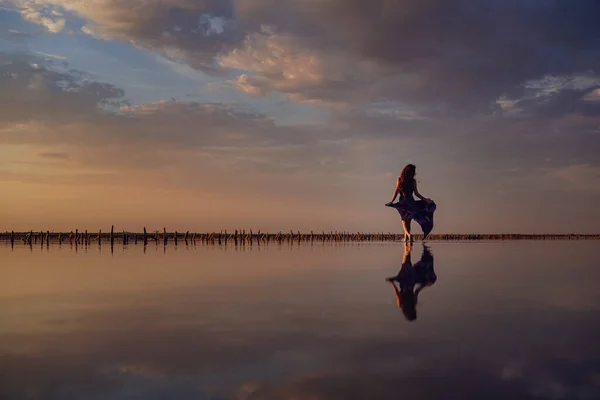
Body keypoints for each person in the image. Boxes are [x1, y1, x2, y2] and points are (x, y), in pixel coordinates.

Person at [385, 164, 432, 243]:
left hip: (403, 202)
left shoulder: (400, 180)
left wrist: (391, 201)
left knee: (404, 221)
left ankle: (409, 235)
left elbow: (396, 192)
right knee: (408, 221)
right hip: (411, 202)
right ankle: (407, 240)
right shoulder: (413, 181)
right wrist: (425, 200)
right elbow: (416, 194)